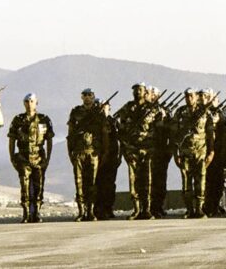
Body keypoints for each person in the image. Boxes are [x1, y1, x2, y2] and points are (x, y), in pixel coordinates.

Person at [7, 93, 54, 223]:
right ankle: (27, 213)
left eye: (31, 101)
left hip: (39, 157)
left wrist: (48, 158)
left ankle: (37, 212)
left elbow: (49, 140)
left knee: (39, 185)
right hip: (23, 156)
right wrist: (12, 157)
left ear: (36, 103)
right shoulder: (18, 120)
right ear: (24, 104)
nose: (29, 104)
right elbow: (11, 139)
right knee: (25, 185)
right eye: (27, 101)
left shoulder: (44, 119)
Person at [116, 82, 160, 220]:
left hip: (148, 149)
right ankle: (136, 209)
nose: (137, 93)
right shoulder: (127, 108)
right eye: (135, 90)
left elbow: (161, 130)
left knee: (148, 179)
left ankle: (147, 209)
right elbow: (119, 128)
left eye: (140, 90)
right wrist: (125, 147)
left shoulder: (154, 109)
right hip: (132, 150)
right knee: (133, 180)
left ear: (145, 92)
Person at [66, 88, 109, 221]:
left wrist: (105, 152)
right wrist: (70, 152)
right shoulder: (76, 112)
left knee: (92, 183)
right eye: (84, 95)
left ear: (94, 96)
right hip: (79, 152)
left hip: (93, 152)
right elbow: (70, 133)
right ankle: (81, 211)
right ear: (81, 97)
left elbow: (104, 134)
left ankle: (90, 211)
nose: (87, 97)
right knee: (79, 182)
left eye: (90, 95)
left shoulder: (99, 113)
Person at [172, 88, 215, 219]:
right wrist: (176, 153)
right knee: (186, 182)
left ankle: (199, 208)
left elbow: (210, 134)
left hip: (201, 151)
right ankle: (189, 209)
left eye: (191, 96)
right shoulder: (179, 113)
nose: (189, 98)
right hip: (185, 152)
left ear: (196, 97)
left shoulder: (205, 112)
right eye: (187, 96)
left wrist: (211, 151)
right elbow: (174, 134)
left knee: (200, 181)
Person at [202, 88, 226, 217]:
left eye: (211, 98)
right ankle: (204, 205)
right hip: (202, 152)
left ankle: (214, 205)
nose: (208, 100)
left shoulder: (220, 114)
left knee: (217, 182)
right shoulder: (200, 113)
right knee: (204, 181)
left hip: (217, 153)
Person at [148, 85, 172, 218]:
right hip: (147, 150)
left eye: (153, 94)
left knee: (160, 180)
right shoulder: (142, 110)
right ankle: (147, 207)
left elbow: (170, 131)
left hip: (161, 150)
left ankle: (158, 206)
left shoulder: (164, 111)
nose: (151, 96)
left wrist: (169, 149)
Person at [94, 101, 120, 220]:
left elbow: (119, 140)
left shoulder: (113, 122)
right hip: (97, 157)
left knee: (109, 185)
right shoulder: (94, 121)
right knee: (97, 184)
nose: (102, 108)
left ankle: (108, 208)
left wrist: (119, 156)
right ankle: (97, 209)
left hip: (111, 158)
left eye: (105, 106)